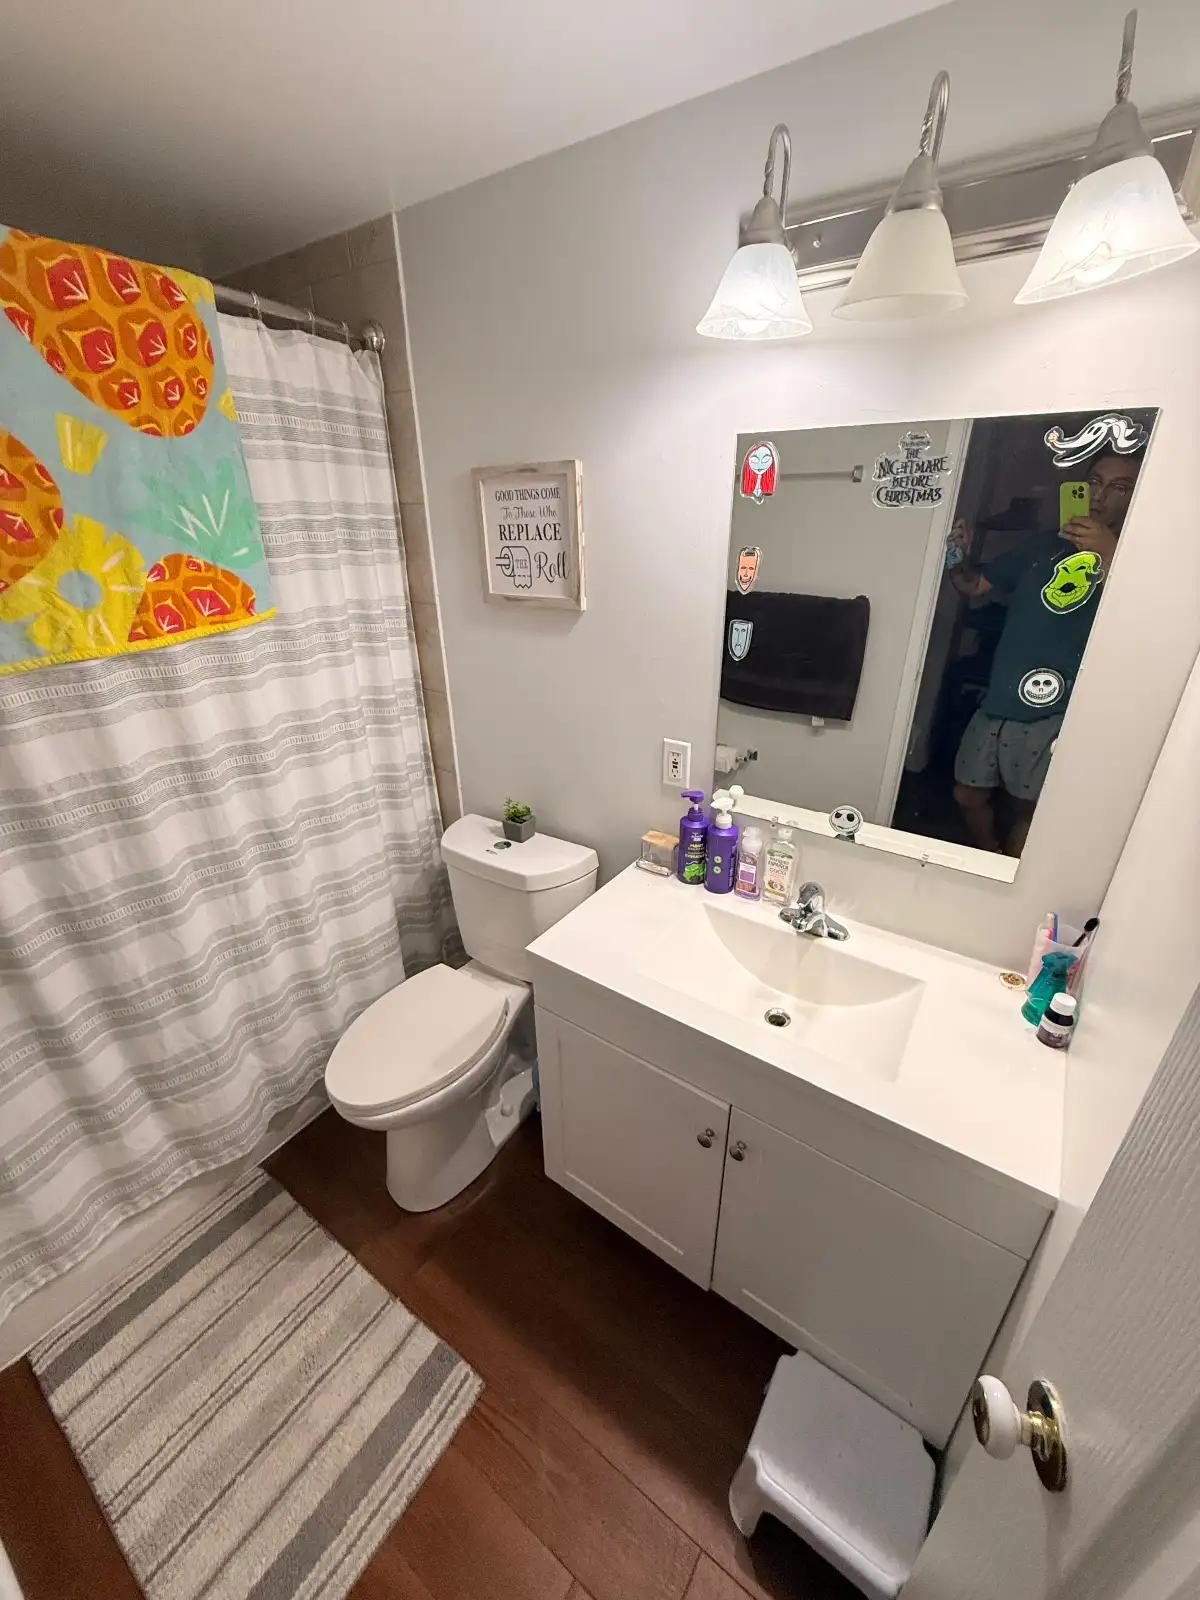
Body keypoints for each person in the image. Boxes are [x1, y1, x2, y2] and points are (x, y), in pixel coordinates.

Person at [948, 446, 1144, 855]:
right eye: (1094, 482)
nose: (1099, 495)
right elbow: (975, 585)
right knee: (968, 793)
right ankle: (991, 853)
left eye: (1119, 487)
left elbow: (1147, 625)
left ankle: (1010, 868)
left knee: (1031, 807)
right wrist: (957, 558)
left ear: (1136, 496)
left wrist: (1110, 553)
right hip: (1002, 693)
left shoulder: (1140, 558)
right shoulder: (1042, 545)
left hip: (1061, 705)